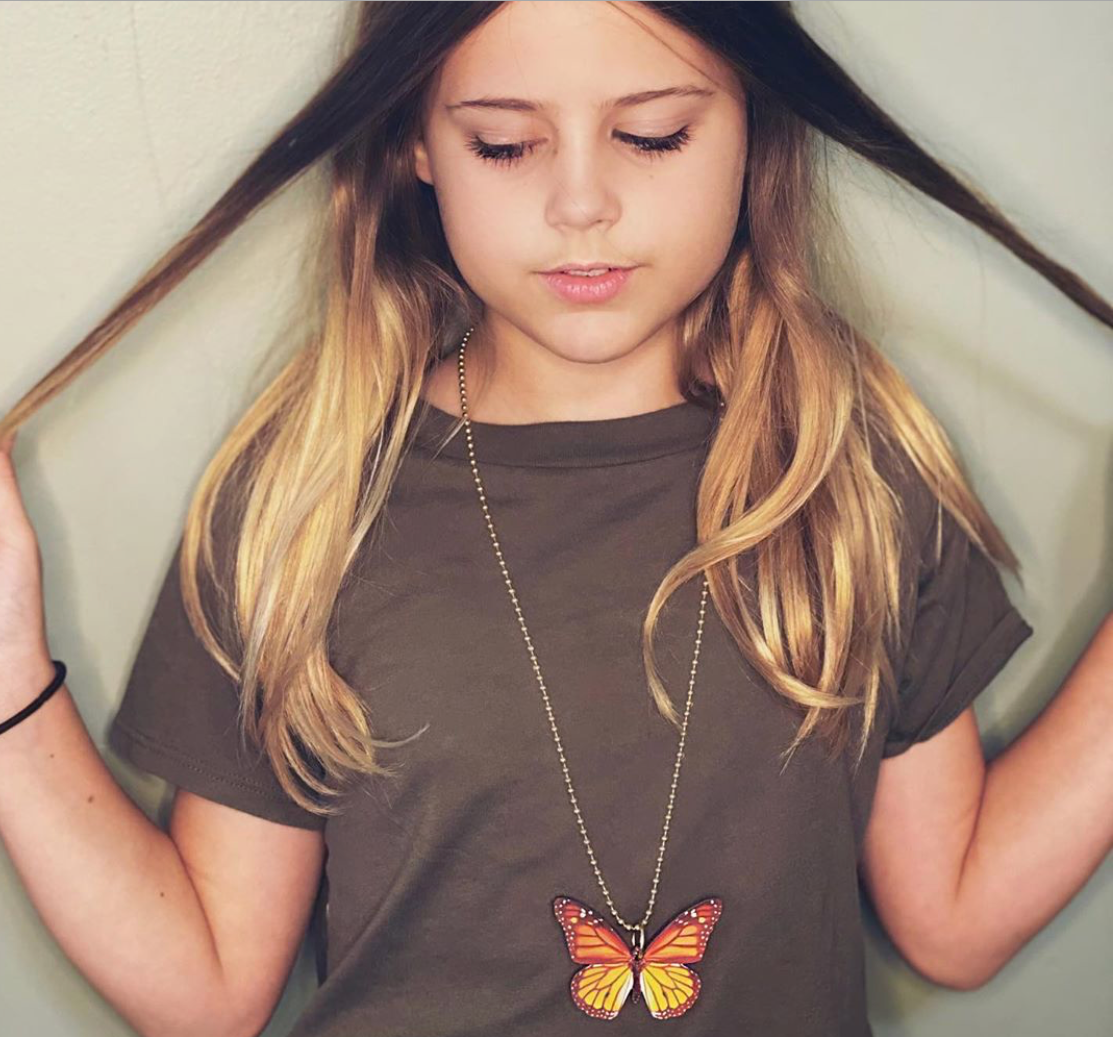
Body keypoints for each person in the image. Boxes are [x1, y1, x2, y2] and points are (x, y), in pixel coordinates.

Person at [0, 3, 1110, 1036]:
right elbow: (207, 989)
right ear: (413, 144)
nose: (583, 203)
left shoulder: (852, 476)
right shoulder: (304, 497)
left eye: (656, 135)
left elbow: (956, 917)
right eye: (505, 145)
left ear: (753, 126)